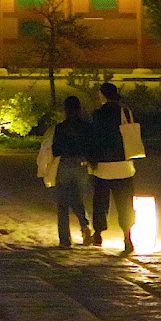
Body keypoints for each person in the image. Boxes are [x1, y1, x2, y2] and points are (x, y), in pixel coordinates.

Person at [88, 84, 141, 254]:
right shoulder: (125, 111)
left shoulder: (99, 114)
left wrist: (91, 158)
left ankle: (98, 233)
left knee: (100, 202)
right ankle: (127, 237)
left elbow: (94, 138)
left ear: (103, 95)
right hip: (124, 165)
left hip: (103, 165)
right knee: (125, 203)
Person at [44, 98, 94, 249]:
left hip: (65, 164)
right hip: (82, 165)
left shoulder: (61, 127)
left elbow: (56, 150)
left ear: (65, 110)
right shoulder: (87, 127)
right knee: (77, 198)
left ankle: (65, 239)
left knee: (63, 203)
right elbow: (91, 146)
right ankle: (84, 226)